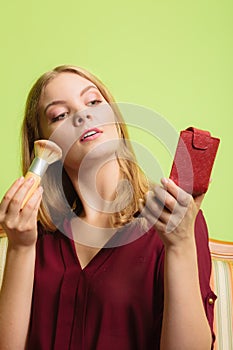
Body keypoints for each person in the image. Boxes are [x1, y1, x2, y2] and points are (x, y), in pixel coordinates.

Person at [0, 65, 216, 350]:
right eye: (60, 115)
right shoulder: (34, 233)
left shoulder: (174, 219)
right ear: (44, 143)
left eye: (93, 102)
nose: (82, 115)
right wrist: (20, 247)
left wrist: (179, 247)